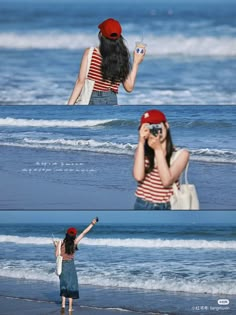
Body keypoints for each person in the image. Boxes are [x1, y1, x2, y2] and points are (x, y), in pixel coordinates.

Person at [67, 18, 145, 105]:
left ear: (101, 35)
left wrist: (69, 107)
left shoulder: (91, 52)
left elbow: (80, 82)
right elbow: (129, 88)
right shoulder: (122, 56)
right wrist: (136, 62)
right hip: (112, 99)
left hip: (92, 98)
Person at [133, 109, 189, 210]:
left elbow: (167, 181)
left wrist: (158, 149)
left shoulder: (181, 154)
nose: (154, 131)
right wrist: (141, 142)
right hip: (141, 203)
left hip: (165, 206)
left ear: (166, 126)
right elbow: (138, 176)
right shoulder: (142, 151)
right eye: (149, 127)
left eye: (156, 126)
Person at [54, 218, 98, 312]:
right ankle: (69, 308)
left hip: (62, 266)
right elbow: (84, 233)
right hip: (70, 266)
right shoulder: (74, 243)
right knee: (72, 285)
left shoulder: (60, 243)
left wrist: (56, 246)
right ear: (74, 235)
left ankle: (62, 305)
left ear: (66, 234)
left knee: (63, 284)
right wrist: (92, 223)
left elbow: (57, 255)